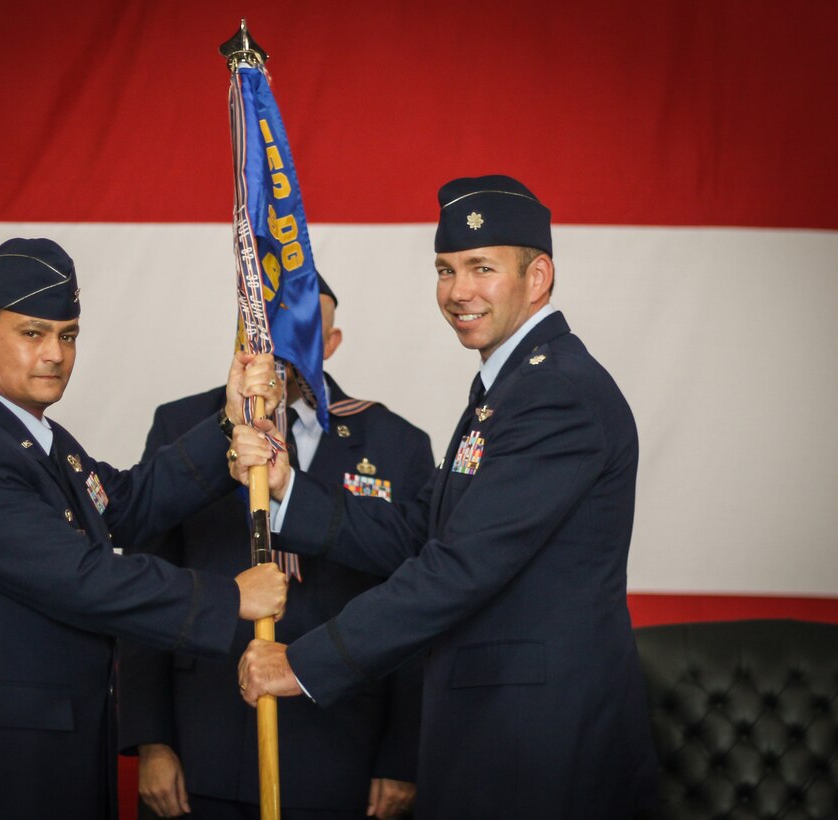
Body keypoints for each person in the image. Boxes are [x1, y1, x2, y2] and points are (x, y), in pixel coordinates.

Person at [232, 177, 659, 818]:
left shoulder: (556, 392)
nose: (458, 291)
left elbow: (459, 567)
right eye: (445, 269)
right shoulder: (506, 388)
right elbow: (416, 533)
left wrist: (304, 664)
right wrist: (290, 486)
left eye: (481, 268)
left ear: (537, 276)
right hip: (493, 727)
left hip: (538, 741)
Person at [0, 238, 288, 820]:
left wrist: (226, 422)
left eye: (66, 335)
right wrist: (230, 598)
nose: (54, 353)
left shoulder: (34, 438)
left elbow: (128, 501)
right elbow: (80, 577)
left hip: (48, 748)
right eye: (32, 333)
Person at [117, 276, 432, 820]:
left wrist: (401, 755)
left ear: (330, 344)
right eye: (263, 331)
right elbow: (148, 578)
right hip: (201, 740)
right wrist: (152, 739)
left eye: (302, 333)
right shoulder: (186, 427)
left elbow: (415, 602)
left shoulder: (396, 443)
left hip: (337, 749)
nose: (278, 350)